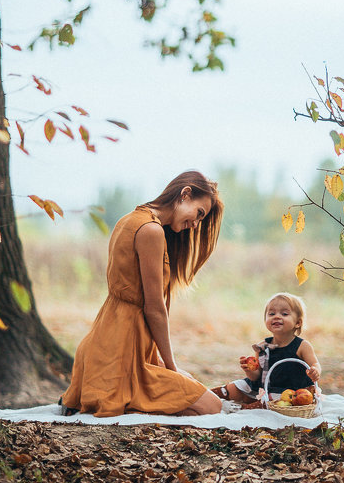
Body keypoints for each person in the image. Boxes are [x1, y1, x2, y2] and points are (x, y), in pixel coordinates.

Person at [59, 171, 224, 417]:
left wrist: (158, 358)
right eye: (199, 213)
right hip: (119, 352)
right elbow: (154, 309)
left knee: (197, 396)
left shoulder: (130, 219)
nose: (196, 224)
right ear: (185, 194)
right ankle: (123, 399)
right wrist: (172, 366)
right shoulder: (151, 231)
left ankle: (114, 396)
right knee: (211, 407)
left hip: (109, 342)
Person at [212, 292, 321, 405]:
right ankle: (208, 395)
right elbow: (256, 377)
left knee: (272, 400)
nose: (276, 316)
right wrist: (249, 371)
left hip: (290, 391)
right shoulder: (263, 346)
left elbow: (315, 364)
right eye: (271, 313)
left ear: (298, 323)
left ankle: (250, 406)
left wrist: (315, 371)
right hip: (264, 387)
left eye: (284, 314)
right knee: (234, 387)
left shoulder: (302, 346)